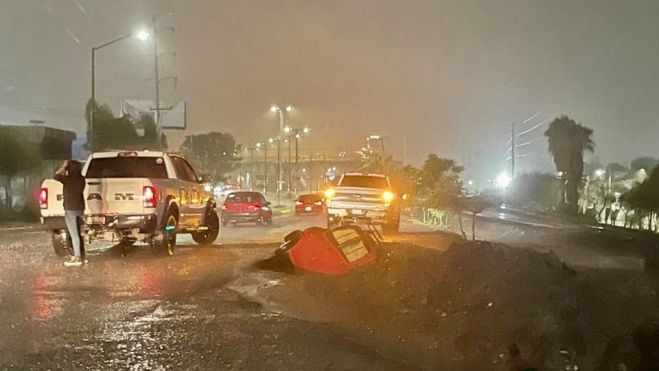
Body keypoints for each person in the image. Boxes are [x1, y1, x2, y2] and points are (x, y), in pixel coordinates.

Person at [54, 160, 86, 267]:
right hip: (80, 208)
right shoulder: (81, 179)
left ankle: (77, 257)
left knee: (74, 234)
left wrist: (63, 166)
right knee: (78, 234)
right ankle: (82, 256)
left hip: (70, 209)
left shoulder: (67, 180)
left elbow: (56, 176)